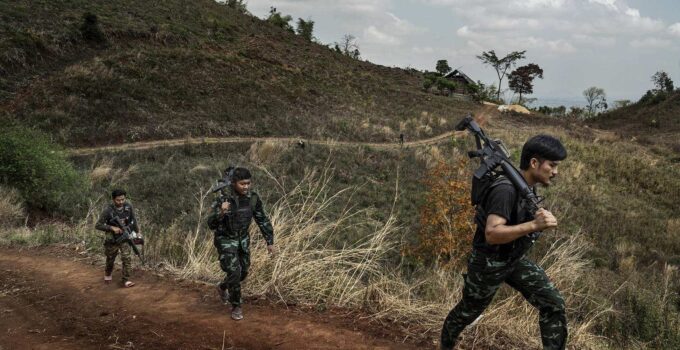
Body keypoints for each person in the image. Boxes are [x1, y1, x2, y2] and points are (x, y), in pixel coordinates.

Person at [440, 135, 568, 350]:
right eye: (552, 165)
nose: (555, 172)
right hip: (488, 262)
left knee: (553, 303)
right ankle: (445, 345)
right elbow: (492, 233)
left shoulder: (526, 187)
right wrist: (535, 225)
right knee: (468, 312)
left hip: (513, 259)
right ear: (534, 163)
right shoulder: (506, 189)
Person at [207, 167, 275, 320]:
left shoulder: (253, 198)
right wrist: (221, 212)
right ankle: (236, 306)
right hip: (225, 240)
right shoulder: (223, 199)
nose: (246, 187)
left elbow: (262, 219)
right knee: (235, 273)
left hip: (243, 240)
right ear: (233, 183)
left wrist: (269, 241)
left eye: (248, 183)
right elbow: (210, 224)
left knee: (243, 272)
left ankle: (223, 286)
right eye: (242, 184)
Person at [95, 189, 140, 288]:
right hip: (112, 239)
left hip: (125, 236)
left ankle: (126, 279)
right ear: (113, 199)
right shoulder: (108, 210)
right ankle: (108, 273)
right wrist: (111, 228)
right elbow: (98, 225)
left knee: (126, 258)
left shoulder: (128, 207)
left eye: (123, 199)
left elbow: (133, 220)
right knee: (110, 258)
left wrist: (137, 232)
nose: (121, 202)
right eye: (118, 200)